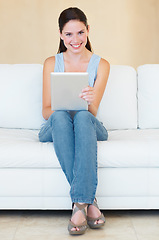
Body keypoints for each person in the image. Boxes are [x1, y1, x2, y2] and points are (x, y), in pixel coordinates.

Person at [38, 7, 110, 235]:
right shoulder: (51, 63)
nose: (75, 40)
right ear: (60, 35)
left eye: (80, 32)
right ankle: (88, 202)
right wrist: (64, 106)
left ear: (88, 30)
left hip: (86, 123)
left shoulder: (101, 65)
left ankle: (79, 206)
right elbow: (46, 111)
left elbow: (93, 112)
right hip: (57, 125)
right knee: (60, 116)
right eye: (69, 34)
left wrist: (88, 101)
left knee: (82, 116)